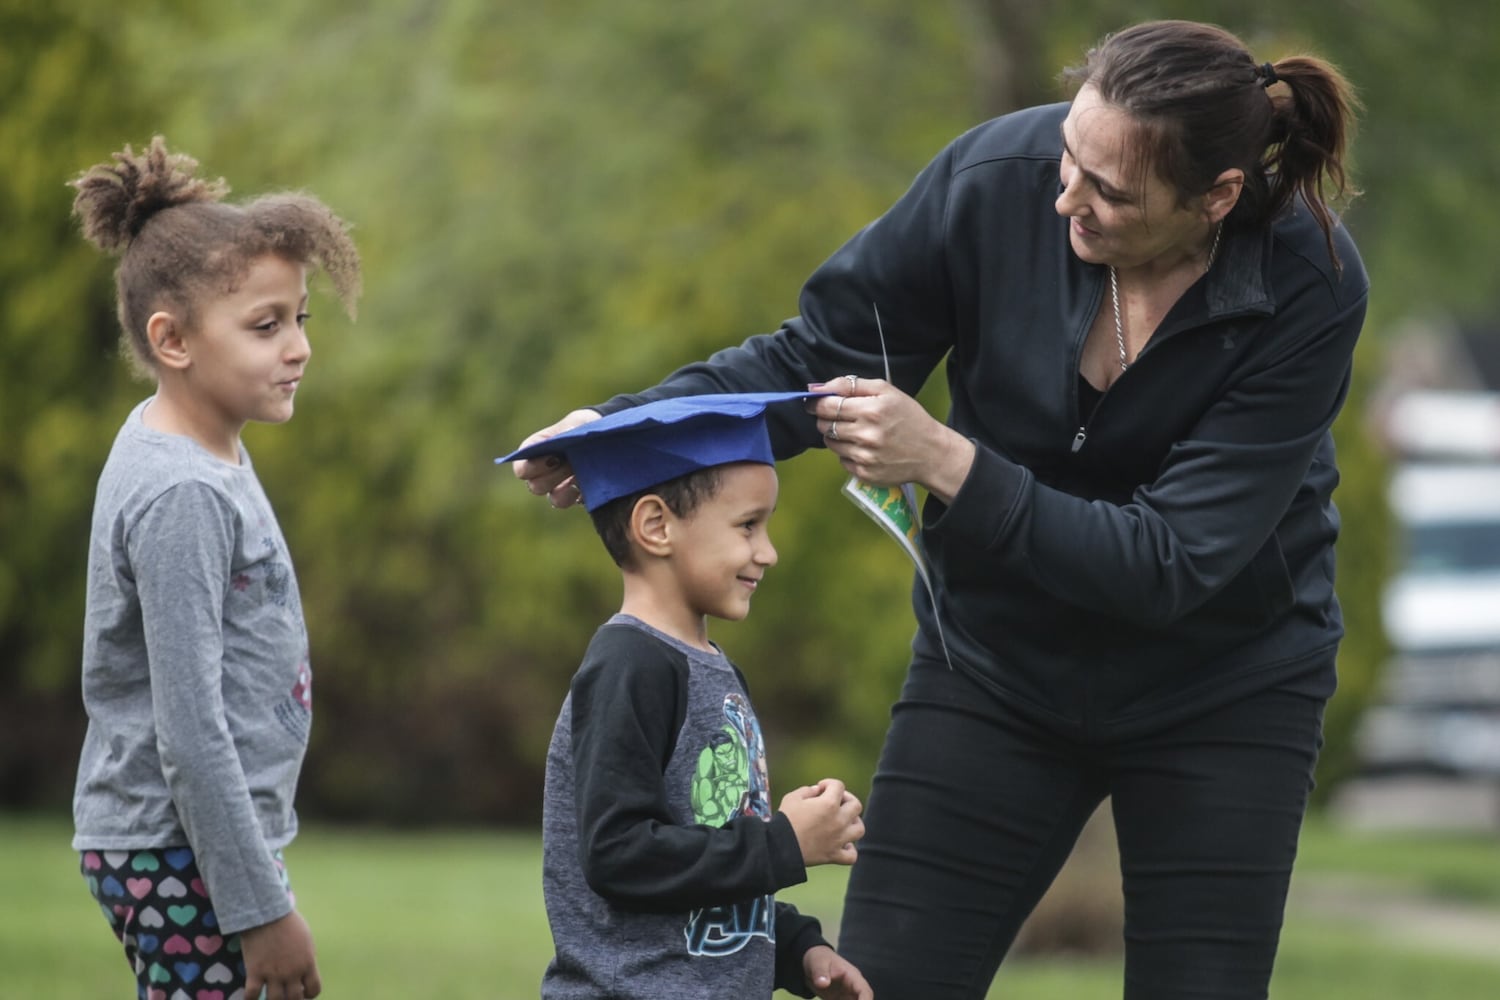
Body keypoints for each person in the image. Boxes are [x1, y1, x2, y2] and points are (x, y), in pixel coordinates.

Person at [513, 18, 1367, 1000]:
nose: (1063, 198)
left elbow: (1168, 560)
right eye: (1067, 158)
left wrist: (948, 460)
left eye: (1109, 191)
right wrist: (628, 425)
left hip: (1223, 685)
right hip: (996, 667)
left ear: (1214, 199)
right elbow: (813, 361)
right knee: (883, 985)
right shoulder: (995, 182)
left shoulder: (1309, 284)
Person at [69, 136, 360, 1000]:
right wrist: (260, 908)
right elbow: (189, 731)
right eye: (265, 325)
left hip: (191, 845)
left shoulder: (197, 444)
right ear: (173, 340)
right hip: (176, 848)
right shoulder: (182, 495)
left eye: (299, 319)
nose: (298, 346)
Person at [499, 393, 872, 999]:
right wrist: (783, 843)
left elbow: (702, 869)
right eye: (748, 525)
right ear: (656, 526)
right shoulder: (630, 666)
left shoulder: (713, 669)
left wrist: (799, 949)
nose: (768, 551)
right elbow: (621, 856)